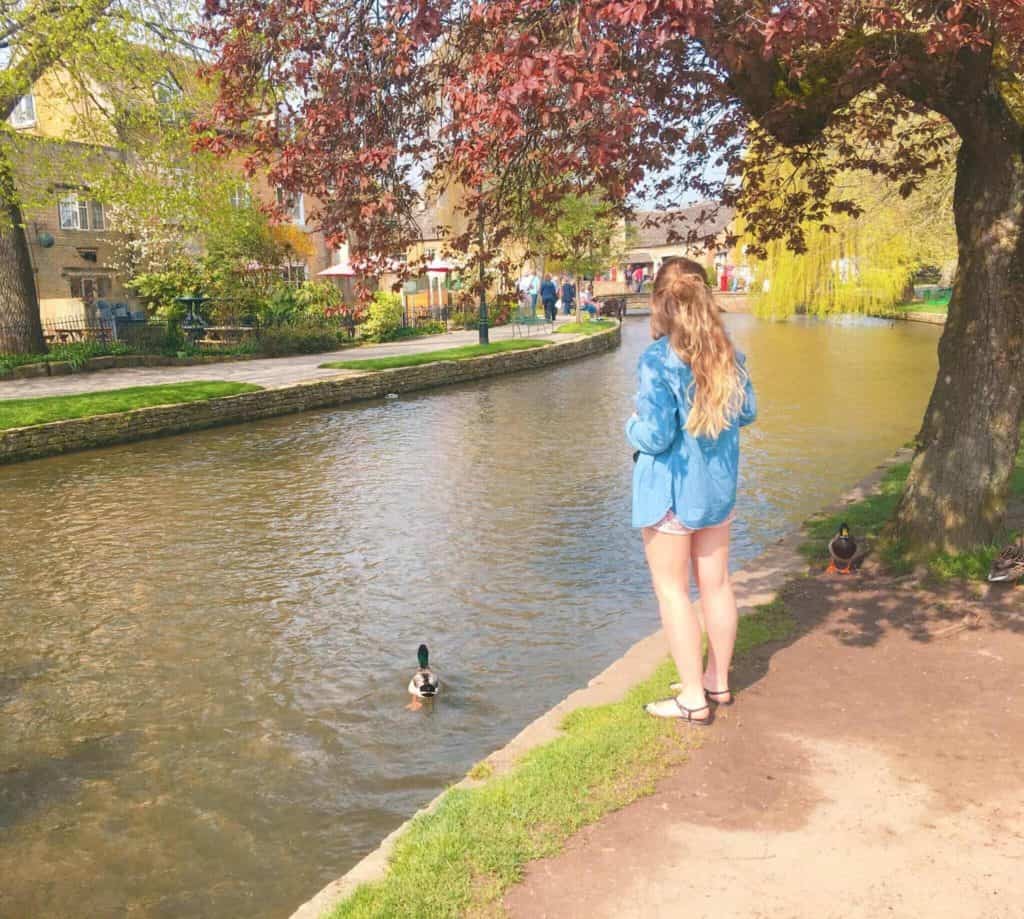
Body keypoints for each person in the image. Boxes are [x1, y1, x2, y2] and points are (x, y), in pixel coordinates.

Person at [626, 256, 757, 726]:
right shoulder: (729, 354)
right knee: (717, 585)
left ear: (659, 303)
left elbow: (657, 436)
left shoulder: (658, 361)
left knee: (673, 591)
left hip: (670, 493)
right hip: (716, 490)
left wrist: (630, 427)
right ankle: (717, 681)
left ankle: (691, 698)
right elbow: (747, 413)